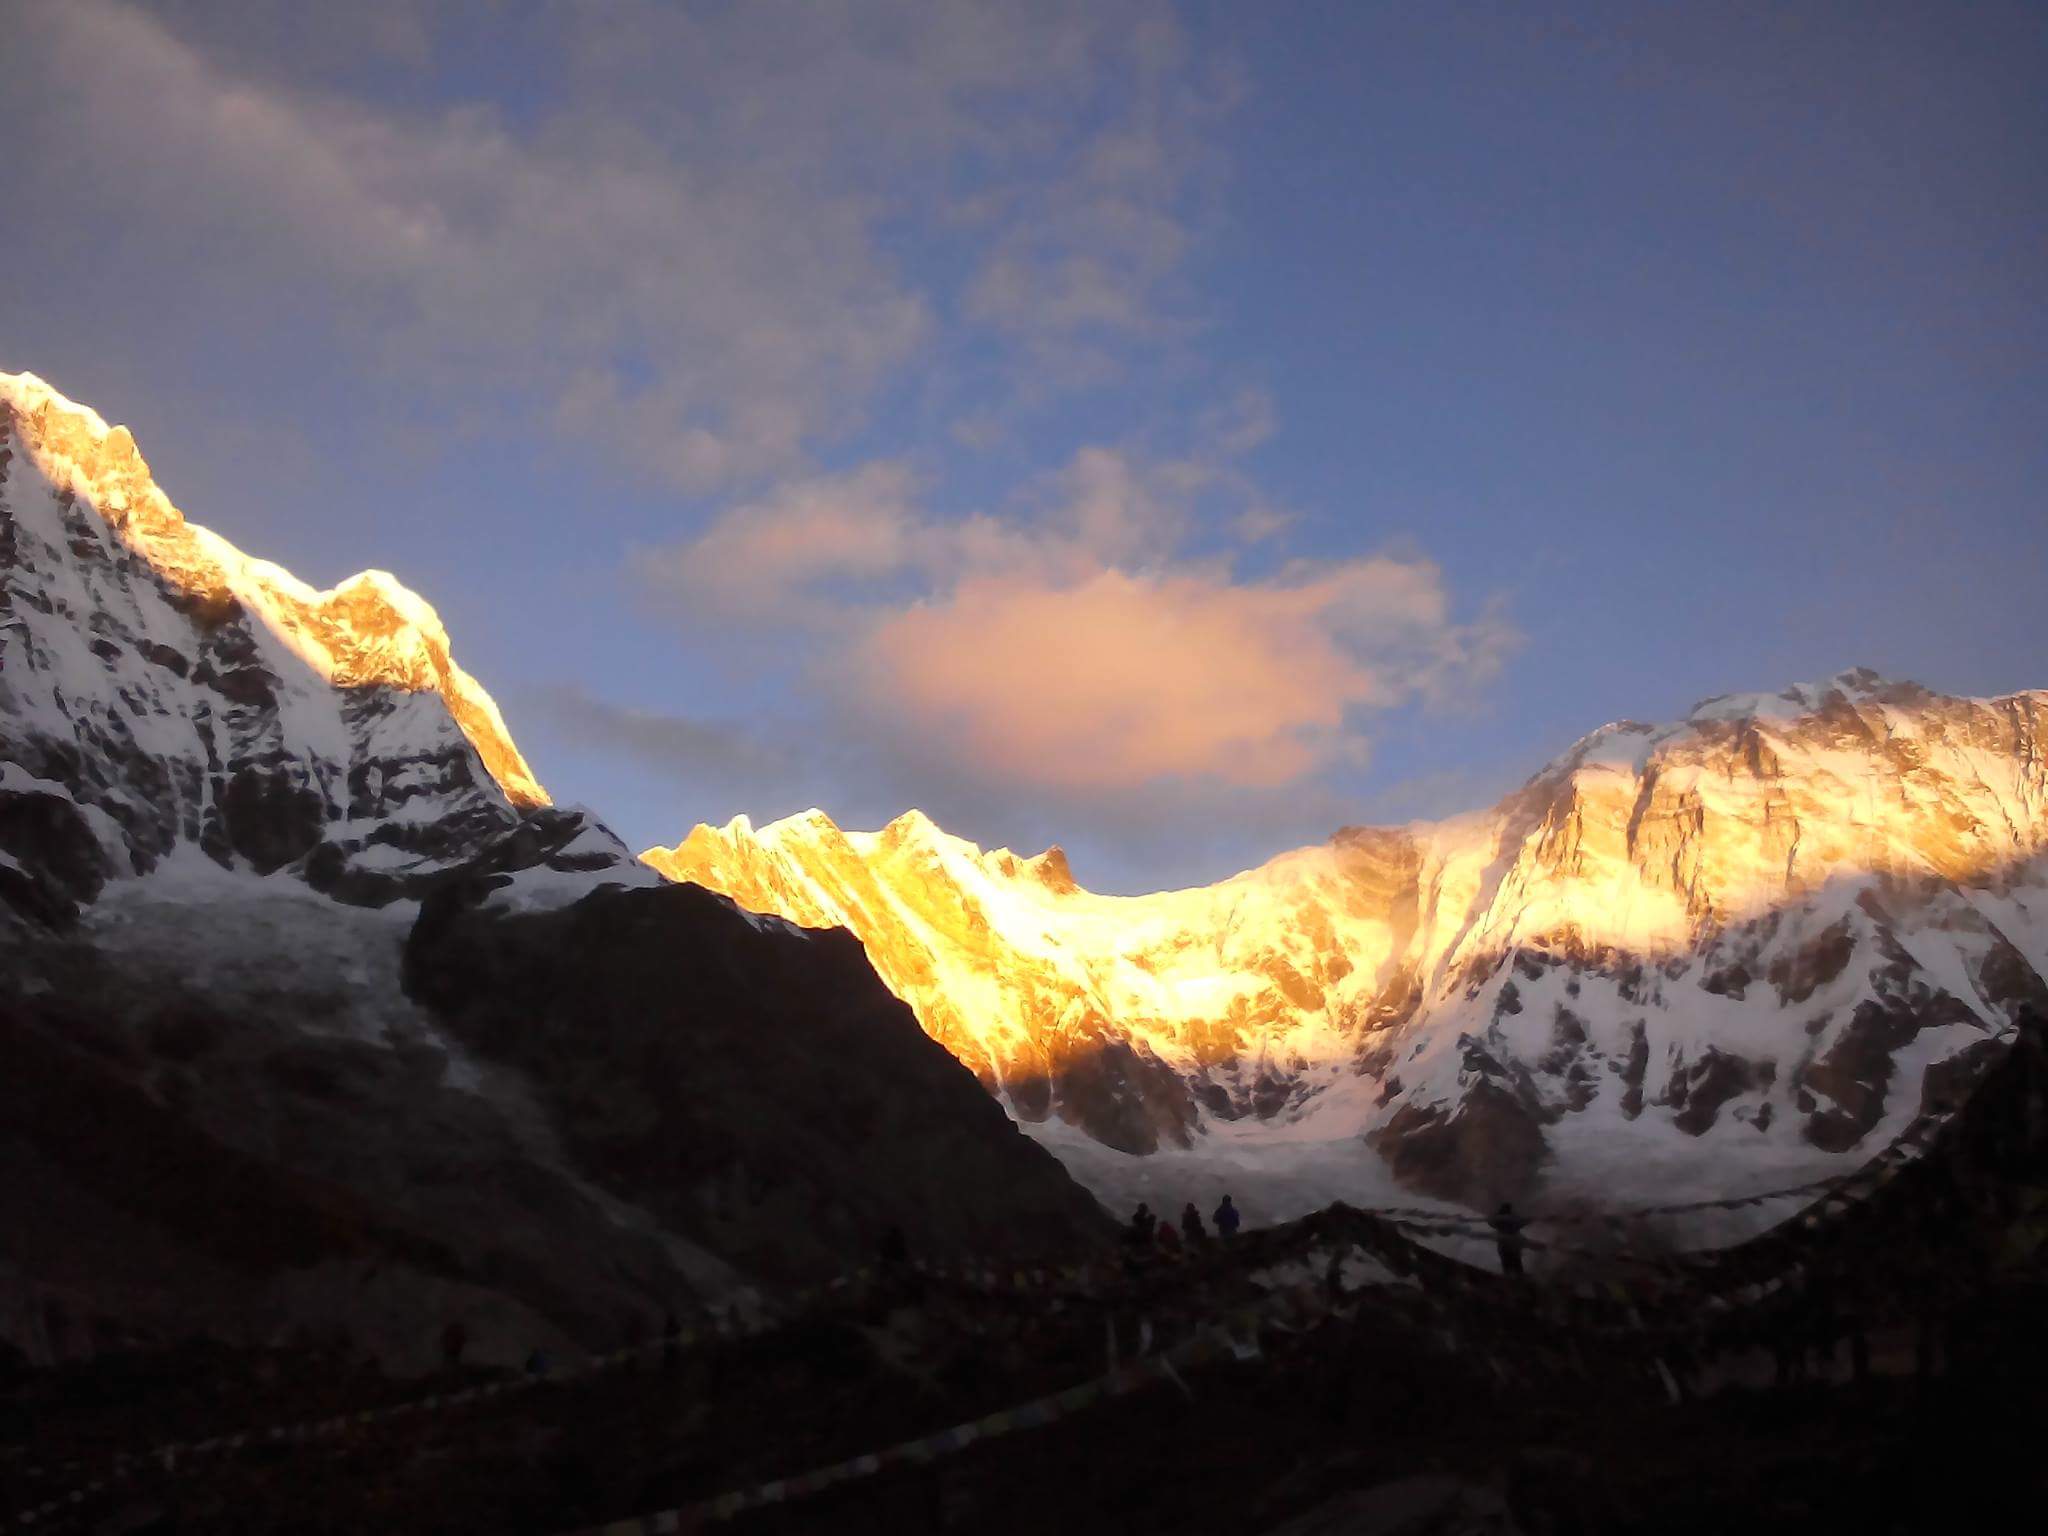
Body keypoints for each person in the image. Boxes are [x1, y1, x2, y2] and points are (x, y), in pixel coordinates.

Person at [1490, 1202, 1528, 1278]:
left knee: (1509, 1265)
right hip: (1510, 1245)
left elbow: (1491, 1222)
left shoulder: (1500, 1218)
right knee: (1515, 1265)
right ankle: (1516, 1278)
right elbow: (1521, 1223)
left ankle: (1512, 1278)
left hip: (1505, 1245)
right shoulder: (1510, 1219)